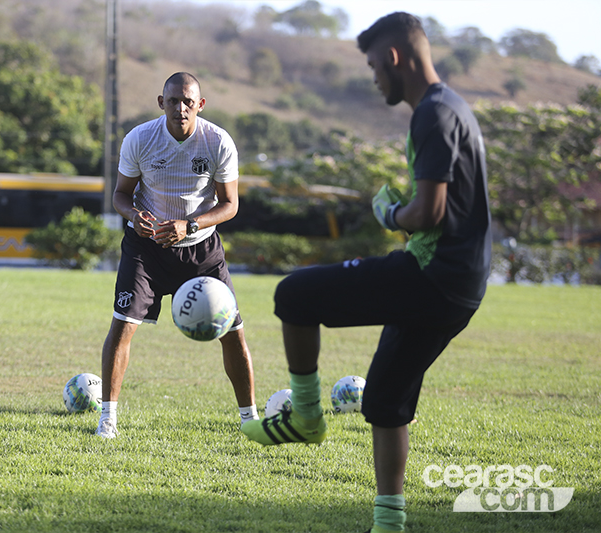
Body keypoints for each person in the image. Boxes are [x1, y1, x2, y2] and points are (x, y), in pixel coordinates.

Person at [241, 12, 491, 533]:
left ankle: (305, 416)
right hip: (462, 285)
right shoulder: (453, 107)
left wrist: (390, 214)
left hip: (432, 275)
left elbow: (429, 213)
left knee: (294, 294)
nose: (374, 77)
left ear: (395, 58)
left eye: (375, 66)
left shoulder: (433, 113)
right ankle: (389, 522)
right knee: (384, 400)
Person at [95, 71, 258, 439]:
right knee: (122, 325)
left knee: (233, 332)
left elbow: (230, 204)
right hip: (146, 249)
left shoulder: (217, 141)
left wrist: (191, 225)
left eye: (188, 101)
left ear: (200, 105)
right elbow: (120, 195)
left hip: (201, 250)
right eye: (173, 101)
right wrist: (134, 216)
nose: (180, 108)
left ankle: (250, 419)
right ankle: (107, 419)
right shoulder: (140, 139)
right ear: (161, 103)